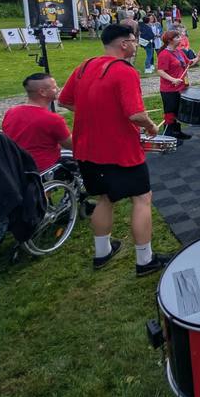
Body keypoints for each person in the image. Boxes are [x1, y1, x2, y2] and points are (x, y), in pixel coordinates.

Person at [57, 24, 172, 277]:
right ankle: (145, 260)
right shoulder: (124, 71)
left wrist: (96, 113)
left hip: (86, 149)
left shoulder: (85, 66)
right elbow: (135, 114)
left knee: (104, 199)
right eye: (134, 41)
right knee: (142, 198)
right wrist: (151, 126)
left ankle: (102, 252)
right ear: (124, 44)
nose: (136, 45)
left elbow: (64, 100)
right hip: (120, 150)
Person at [1, 73, 73, 172]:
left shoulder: (11, 112)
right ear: (42, 92)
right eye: (54, 87)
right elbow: (72, 145)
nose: (58, 89)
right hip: (44, 168)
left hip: (16, 167)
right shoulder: (52, 119)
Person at [156, 30, 193, 141]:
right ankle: (168, 136)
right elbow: (160, 71)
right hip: (169, 90)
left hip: (181, 88)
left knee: (178, 112)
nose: (180, 38)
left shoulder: (179, 51)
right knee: (170, 113)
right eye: (177, 37)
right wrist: (173, 79)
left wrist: (199, 57)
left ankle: (177, 132)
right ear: (170, 40)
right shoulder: (164, 54)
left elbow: (188, 63)